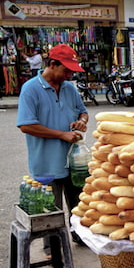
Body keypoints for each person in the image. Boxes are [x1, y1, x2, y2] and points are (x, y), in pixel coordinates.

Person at [16, 44, 88, 246]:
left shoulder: (69, 88)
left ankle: (80, 238)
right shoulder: (31, 89)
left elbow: (83, 111)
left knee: (79, 207)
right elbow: (26, 125)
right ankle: (54, 251)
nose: (69, 74)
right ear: (52, 64)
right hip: (47, 164)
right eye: (66, 69)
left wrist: (82, 120)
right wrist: (62, 135)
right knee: (51, 213)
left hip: (74, 163)